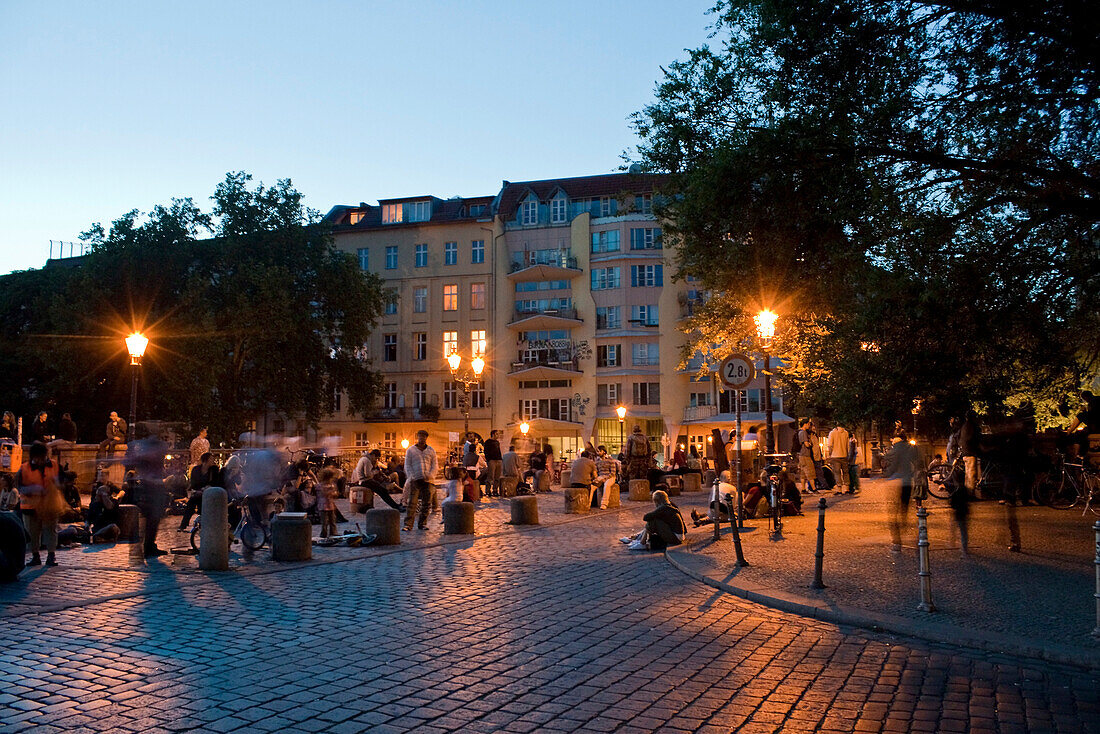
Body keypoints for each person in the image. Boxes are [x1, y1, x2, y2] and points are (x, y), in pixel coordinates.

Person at [16, 442, 60, 567]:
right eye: (38, 458)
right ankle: (35, 556)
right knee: (32, 533)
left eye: (43, 457)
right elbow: (20, 486)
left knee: (51, 531)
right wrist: (34, 489)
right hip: (30, 507)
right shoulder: (24, 468)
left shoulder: (54, 465)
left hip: (49, 505)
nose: (41, 460)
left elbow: (59, 482)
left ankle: (51, 555)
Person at [883, 432, 920, 552]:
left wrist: (886, 475)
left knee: (893, 513)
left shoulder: (895, 449)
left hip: (896, 482)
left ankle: (897, 542)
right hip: (908, 482)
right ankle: (907, 526)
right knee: (905, 507)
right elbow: (918, 461)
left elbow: (892, 465)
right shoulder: (911, 448)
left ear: (895, 440)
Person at [403, 429, 438, 531]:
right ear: (417, 437)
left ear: (426, 438)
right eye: (420, 436)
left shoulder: (431, 450)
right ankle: (408, 524)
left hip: (428, 480)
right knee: (412, 503)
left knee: (426, 503)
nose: (421, 438)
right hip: (415, 479)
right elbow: (407, 464)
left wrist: (431, 475)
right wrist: (411, 476)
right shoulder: (411, 450)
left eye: (424, 436)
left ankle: (422, 523)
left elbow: (434, 465)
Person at [178, 452, 219, 530]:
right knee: (191, 504)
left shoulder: (214, 470)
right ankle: (183, 525)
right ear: (206, 460)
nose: (212, 460)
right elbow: (193, 483)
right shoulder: (196, 469)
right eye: (211, 459)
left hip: (208, 493)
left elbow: (215, 482)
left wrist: (205, 489)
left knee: (201, 504)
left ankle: (204, 524)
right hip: (197, 492)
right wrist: (198, 491)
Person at [959, 410, 982, 496]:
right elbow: (973, 437)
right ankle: (971, 494)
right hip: (970, 452)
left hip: (965, 452)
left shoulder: (964, 426)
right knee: (972, 474)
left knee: (967, 474)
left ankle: (967, 492)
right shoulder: (971, 426)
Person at [316, 467, 339, 539]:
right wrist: (331, 491)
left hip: (330, 505)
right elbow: (324, 493)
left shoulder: (331, 485)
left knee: (332, 519)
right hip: (323, 505)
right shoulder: (320, 486)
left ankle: (333, 532)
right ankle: (324, 533)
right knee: (324, 521)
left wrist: (334, 492)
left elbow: (335, 494)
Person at [826, 423, 850, 492]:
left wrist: (830, 454)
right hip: (844, 455)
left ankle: (839, 489)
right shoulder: (846, 433)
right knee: (846, 472)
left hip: (835, 455)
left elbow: (830, 445)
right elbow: (847, 445)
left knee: (837, 473)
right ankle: (847, 488)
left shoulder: (832, 433)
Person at [796, 419, 817, 494]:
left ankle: (803, 489)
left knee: (803, 473)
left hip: (801, 455)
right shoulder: (803, 432)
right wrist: (810, 444)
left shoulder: (800, 432)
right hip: (805, 455)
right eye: (808, 424)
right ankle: (814, 489)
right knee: (810, 472)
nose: (809, 425)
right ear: (805, 424)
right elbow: (806, 444)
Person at [484, 430, 503, 497]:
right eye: (497, 434)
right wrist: (488, 460)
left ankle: (495, 490)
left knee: (497, 476)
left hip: (498, 460)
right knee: (490, 476)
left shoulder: (497, 442)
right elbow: (485, 451)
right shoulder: (487, 442)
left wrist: (501, 459)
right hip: (492, 460)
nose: (498, 435)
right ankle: (488, 491)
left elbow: (499, 451)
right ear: (493, 434)